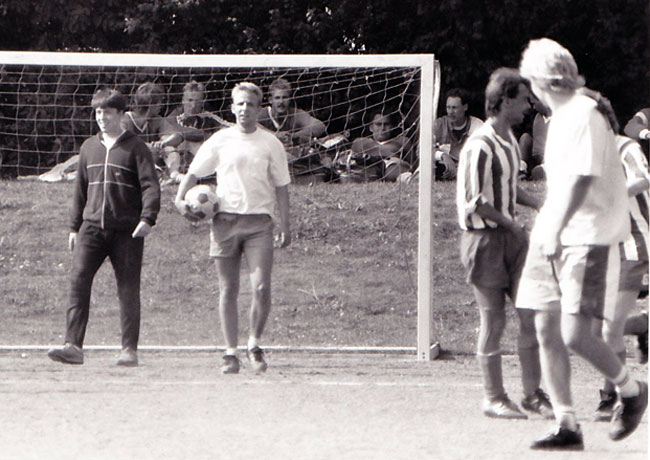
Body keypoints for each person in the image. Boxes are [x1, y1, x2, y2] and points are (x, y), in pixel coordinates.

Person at [516, 38, 647, 450]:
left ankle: (630, 390)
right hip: (553, 235)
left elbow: (583, 180)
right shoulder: (560, 118)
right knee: (545, 329)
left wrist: (556, 229)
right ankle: (567, 423)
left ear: (541, 81)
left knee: (575, 334)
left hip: (584, 238)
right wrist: (546, 230)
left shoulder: (584, 114)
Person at [175, 82, 291, 375]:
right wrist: (179, 199)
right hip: (225, 222)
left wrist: (286, 225)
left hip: (259, 224)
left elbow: (282, 187)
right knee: (228, 289)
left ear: (258, 108)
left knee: (261, 287)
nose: (244, 109)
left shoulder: (270, 143)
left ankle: (254, 343)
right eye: (239, 104)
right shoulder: (220, 139)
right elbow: (194, 171)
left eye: (250, 104)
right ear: (232, 107)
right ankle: (230, 352)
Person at [456, 68, 550, 420]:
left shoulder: (510, 141)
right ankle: (493, 397)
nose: (529, 106)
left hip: (511, 239)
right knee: (493, 321)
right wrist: (512, 224)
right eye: (524, 99)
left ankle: (532, 393)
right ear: (506, 100)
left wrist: (537, 203)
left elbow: (508, 189)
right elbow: (474, 201)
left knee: (532, 315)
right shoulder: (479, 145)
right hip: (484, 240)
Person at [47, 88, 161, 367]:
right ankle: (72, 345)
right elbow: (80, 190)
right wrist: (74, 227)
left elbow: (150, 186)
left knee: (128, 288)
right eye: (98, 112)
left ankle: (128, 350)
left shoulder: (136, 147)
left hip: (126, 231)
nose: (101, 117)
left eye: (107, 112)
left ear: (121, 115)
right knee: (78, 281)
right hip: (91, 229)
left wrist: (147, 219)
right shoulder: (89, 147)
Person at [588, 97, 650, 421]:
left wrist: (612, 192)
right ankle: (641, 325)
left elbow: (644, 178)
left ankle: (612, 395)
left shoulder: (625, 148)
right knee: (600, 326)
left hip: (637, 244)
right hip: (611, 247)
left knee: (608, 330)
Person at [257, 78, 327, 176]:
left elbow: (319, 126)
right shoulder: (262, 114)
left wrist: (293, 136)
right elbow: (248, 125)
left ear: (289, 99)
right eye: (277, 98)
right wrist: (274, 135)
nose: (281, 102)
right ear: (270, 100)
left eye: (284, 97)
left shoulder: (295, 114)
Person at [160, 80, 226, 185]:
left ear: (203, 102)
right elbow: (177, 133)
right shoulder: (171, 118)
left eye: (198, 101)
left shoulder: (208, 117)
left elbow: (227, 127)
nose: (194, 105)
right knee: (169, 140)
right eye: (190, 100)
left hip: (199, 161)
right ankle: (176, 175)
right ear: (183, 100)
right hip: (177, 159)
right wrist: (204, 135)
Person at [122, 82, 183, 179]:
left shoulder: (156, 119)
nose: (161, 105)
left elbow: (178, 136)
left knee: (169, 148)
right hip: (132, 159)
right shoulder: (126, 119)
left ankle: (174, 174)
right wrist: (149, 146)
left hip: (152, 156)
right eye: (159, 102)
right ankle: (153, 172)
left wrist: (164, 142)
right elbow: (123, 141)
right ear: (150, 104)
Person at [346, 111, 415, 182]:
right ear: (371, 127)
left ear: (392, 127)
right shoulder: (360, 142)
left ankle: (409, 179)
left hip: (392, 166)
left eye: (386, 124)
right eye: (378, 124)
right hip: (368, 167)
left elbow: (412, 164)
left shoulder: (402, 141)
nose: (382, 128)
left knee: (393, 170)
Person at [434, 87, 483, 180]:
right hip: (444, 167)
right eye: (448, 107)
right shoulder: (439, 124)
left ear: (465, 107)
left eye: (454, 108)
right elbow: (422, 149)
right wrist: (442, 155)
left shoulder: (477, 125)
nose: (450, 112)